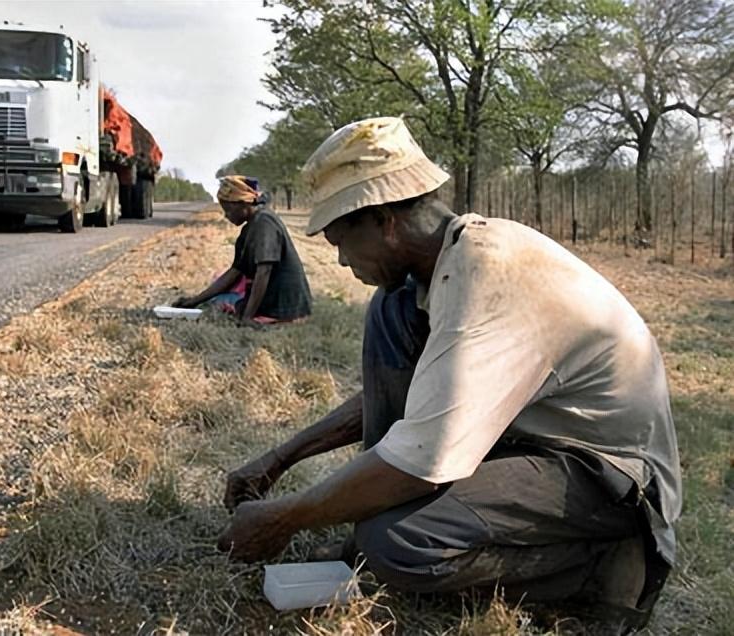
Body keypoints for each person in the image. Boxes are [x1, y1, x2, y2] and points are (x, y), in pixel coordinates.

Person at [217, 117, 682, 629]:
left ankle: (603, 562)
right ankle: (375, 518)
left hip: (608, 476)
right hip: (529, 439)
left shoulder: (488, 279)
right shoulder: (438, 273)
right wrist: (279, 459)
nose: (344, 260)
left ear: (385, 221)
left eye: (340, 241)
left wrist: (285, 517)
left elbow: (421, 459)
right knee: (388, 312)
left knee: (394, 541)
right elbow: (425, 409)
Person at [174, 175, 312, 324]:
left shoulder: (264, 223)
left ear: (242, 203)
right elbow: (235, 272)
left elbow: (264, 272)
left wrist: (248, 316)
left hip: (284, 308)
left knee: (220, 301)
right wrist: (194, 301)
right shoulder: (253, 225)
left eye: (228, 210)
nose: (227, 216)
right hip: (282, 301)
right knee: (219, 295)